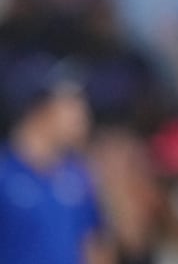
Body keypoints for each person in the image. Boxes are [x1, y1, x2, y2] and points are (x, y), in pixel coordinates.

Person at [0, 55, 112, 264]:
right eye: (70, 103)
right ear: (37, 108)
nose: (82, 114)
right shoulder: (4, 173)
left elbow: (94, 245)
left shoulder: (78, 174)